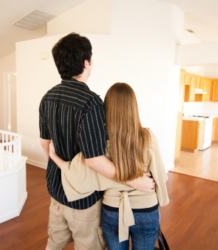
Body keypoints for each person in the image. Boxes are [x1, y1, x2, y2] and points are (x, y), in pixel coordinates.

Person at [39, 33, 155, 250]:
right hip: (83, 200)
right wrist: (135, 181)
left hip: (56, 192)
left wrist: (62, 167)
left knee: (53, 244)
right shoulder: (90, 103)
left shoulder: (47, 97)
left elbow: (46, 145)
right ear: (86, 63)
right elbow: (94, 160)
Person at [49, 82, 170, 250]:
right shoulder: (148, 137)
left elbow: (75, 172)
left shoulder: (99, 144)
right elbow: (160, 176)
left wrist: (53, 156)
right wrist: (159, 200)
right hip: (146, 210)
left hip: (112, 211)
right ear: (134, 107)